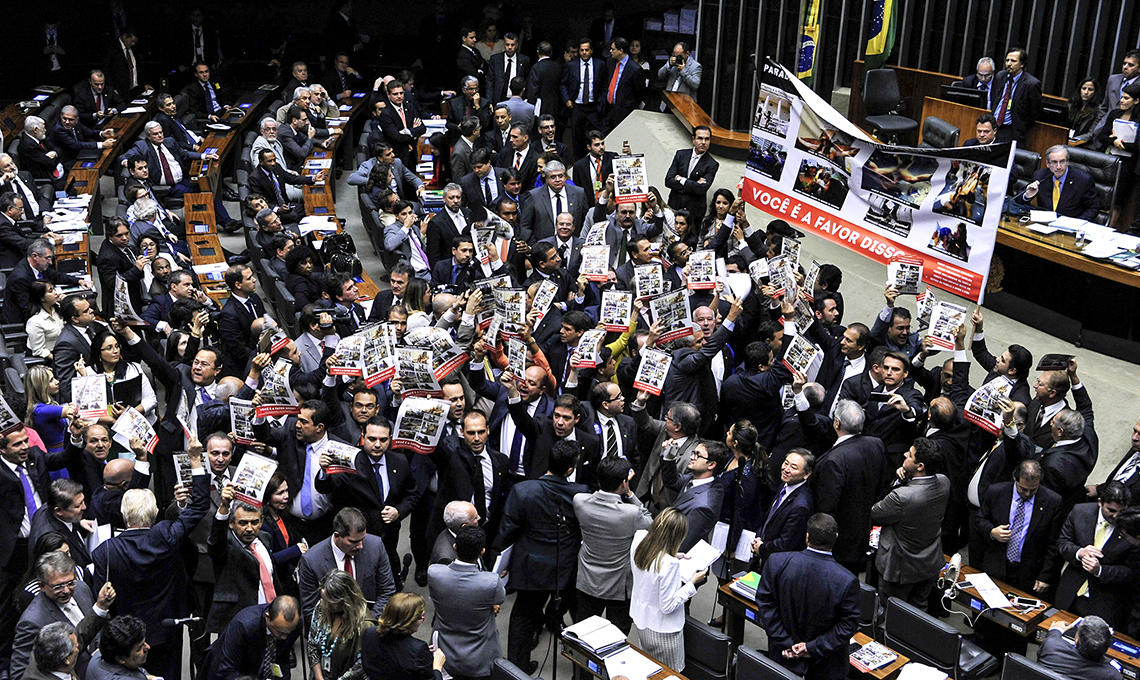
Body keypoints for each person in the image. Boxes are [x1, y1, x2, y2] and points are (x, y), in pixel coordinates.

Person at [91, 440, 207, 680]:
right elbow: (199, 507)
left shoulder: (105, 552)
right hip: (167, 630)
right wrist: (195, 461)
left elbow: (101, 600)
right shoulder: (167, 535)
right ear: (154, 514)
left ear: (123, 516)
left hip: (127, 640)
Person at [496, 440, 589, 672]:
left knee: (523, 615)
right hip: (565, 566)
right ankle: (582, 667)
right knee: (579, 612)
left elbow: (507, 530)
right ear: (570, 470)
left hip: (530, 566)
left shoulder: (523, 490)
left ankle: (517, 669)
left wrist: (498, 560)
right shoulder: (581, 494)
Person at [754, 512, 861, 679]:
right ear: (836, 537)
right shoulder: (847, 581)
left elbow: (765, 604)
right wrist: (811, 648)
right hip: (824, 665)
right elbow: (848, 625)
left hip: (782, 656)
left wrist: (787, 645)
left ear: (807, 537)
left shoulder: (776, 562)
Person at [1036, 482, 1137, 630]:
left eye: (1121, 512)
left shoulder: (1132, 528)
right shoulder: (1080, 511)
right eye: (1111, 510)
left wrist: (1100, 570)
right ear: (1100, 502)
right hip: (1070, 593)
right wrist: (1079, 552)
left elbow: (1131, 572)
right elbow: (1063, 543)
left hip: (1104, 602)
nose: (1116, 516)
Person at [574, 456, 651, 634]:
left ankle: (581, 662)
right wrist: (630, 494)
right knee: (616, 635)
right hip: (619, 586)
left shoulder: (579, 502)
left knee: (583, 632)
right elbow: (651, 523)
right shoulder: (631, 513)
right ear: (624, 483)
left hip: (588, 580)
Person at [871, 438, 951, 608]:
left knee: (890, 613)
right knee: (918, 612)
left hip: (899, 567)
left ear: (920, 466)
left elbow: (877, 513)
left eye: (910, 455)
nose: (905, 455)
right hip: (929, 562)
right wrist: (907, 478)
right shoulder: (944, 482)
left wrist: (899, 482)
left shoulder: (902, 496)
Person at [11, 551, 115, 680]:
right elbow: (19, 674)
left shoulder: (81, 589)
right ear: (42, 586)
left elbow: (93, 630)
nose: (66, 590)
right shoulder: (32, 621)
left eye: (70, 583)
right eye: (58, 586)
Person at [629, 507, 706, 671]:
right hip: (663, 632)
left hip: (642, 621)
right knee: (670, 674)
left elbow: (652, 559)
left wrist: (674, 555)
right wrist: (692, 583)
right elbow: (668, 605)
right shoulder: (669, 564)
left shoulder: (639, 538)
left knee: (648, 669)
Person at [428, 525, 506, 680]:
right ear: (482, 551)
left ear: (455, 547)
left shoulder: (434, 573)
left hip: (443, 653)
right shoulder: (491, 582)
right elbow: (499, 599)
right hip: (479, 658)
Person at [297, 507, 396, 621]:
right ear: (337, 536)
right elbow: (311, 610)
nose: (360, 546)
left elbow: (387, 591)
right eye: (353, 541)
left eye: (362, 539)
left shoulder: (375, 546)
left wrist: (367, 624)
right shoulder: (311, 561)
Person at [199, 597, 303, 680]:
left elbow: (282, 659)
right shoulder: (244, 626)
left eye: (288, 632)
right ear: (268, 617)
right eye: (280, 632)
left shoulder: (294, 625)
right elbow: (226, 670)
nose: (284, 637)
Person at [362, 592, 447, 680]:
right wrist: (437, 667)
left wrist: (419, 655)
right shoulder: (418, 649)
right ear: (410, 621)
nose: (423, 619)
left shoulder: (369, 632)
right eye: (421, 616)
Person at [307, 569, 375, 680]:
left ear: (346, 600)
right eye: (324, 600)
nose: (327, 606)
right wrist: (319, 677)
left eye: (331, 602)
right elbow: (312, 644)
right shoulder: (322, 606)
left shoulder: (365, 625)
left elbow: (360, 666)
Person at [664, 126, 718, 228]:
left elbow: (701, 189)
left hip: (694, 211)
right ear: (693, 139)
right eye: (700, 138)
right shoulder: (681, 154)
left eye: (707, 139)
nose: (703, 142)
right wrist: (694, 184)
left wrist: (681, 179)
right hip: (675, 205)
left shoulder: (712, 164)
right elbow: (668, 181)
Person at [1037, 616, 1123, 680]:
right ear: (1107, 646)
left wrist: (1056, 629)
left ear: (1077, 640)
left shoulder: (1051, 646)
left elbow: (1052, 637)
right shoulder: (1113, 675)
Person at [988, 47, 1043, 143]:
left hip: (1012, 131)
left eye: (1013, 61)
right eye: (1007, 60)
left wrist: (1021, 125)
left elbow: (1036, 112)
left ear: (1022, 64)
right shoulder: (1000, 76)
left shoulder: (1031, 84)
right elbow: (994, 99)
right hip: (993, 127)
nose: (1009, 64)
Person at [86, 615, 154, 680]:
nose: (148, 647)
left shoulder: (100, 655)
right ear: (121, 659)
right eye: (139, 649)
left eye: (144, 643)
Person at [601, 37, 645, 133]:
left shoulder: (635, 69)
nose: (610, 51)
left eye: (613, 49)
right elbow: (605, 82)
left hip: (623, 111)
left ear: (621, 51)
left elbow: (639, 92)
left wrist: (628, 106)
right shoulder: (610, 62)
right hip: (607, 108)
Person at [1069, 78, 1105, 143]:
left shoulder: (1099, 110)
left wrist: (1073, 140)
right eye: (1084, 88)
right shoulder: (1072, 105)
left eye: (1090, 90)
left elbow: (1091, 134)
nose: (1086, 92)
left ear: (1095, 92)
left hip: (1084, 144)